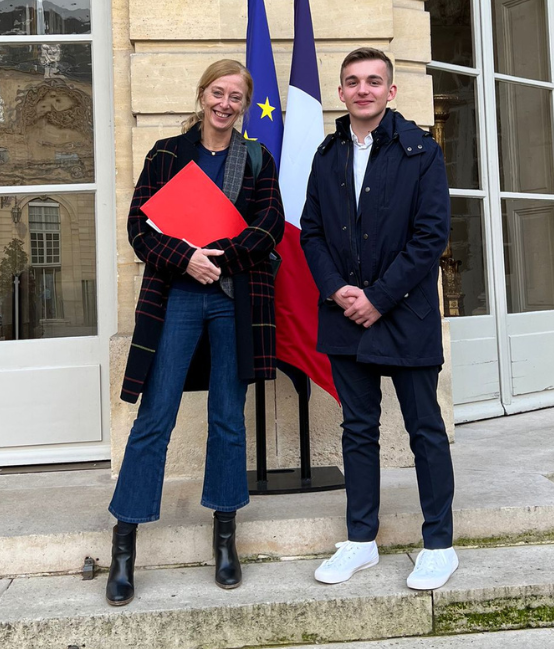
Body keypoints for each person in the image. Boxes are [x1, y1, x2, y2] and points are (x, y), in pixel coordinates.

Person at [107, 59, 285, 605]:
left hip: (232, 297)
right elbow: (139, 225)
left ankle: (225, 537)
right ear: (202, 93)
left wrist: (219, 259)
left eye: (236, 96)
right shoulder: (167, 153)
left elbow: (269, 224)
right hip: (177, 296)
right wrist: (186, 259)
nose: (225, 103)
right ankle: (124, 544)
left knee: (228, 418)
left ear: (244, 104)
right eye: (217, 92)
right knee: (155, 416)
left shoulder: (255, 156)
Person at [300, 47, 456, 591]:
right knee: (358, 431)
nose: (362, 90)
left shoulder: (421, 151)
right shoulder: (326, 155)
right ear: (340, 94)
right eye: (351, 82)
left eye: (373, 81)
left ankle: (439, 544)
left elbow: (430, 236)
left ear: (391, 92)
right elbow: (312, 232)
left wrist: (379, 298)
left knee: (425, 431)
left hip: (404, 314)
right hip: (345, 315)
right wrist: (339, 290)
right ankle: (361, 540)